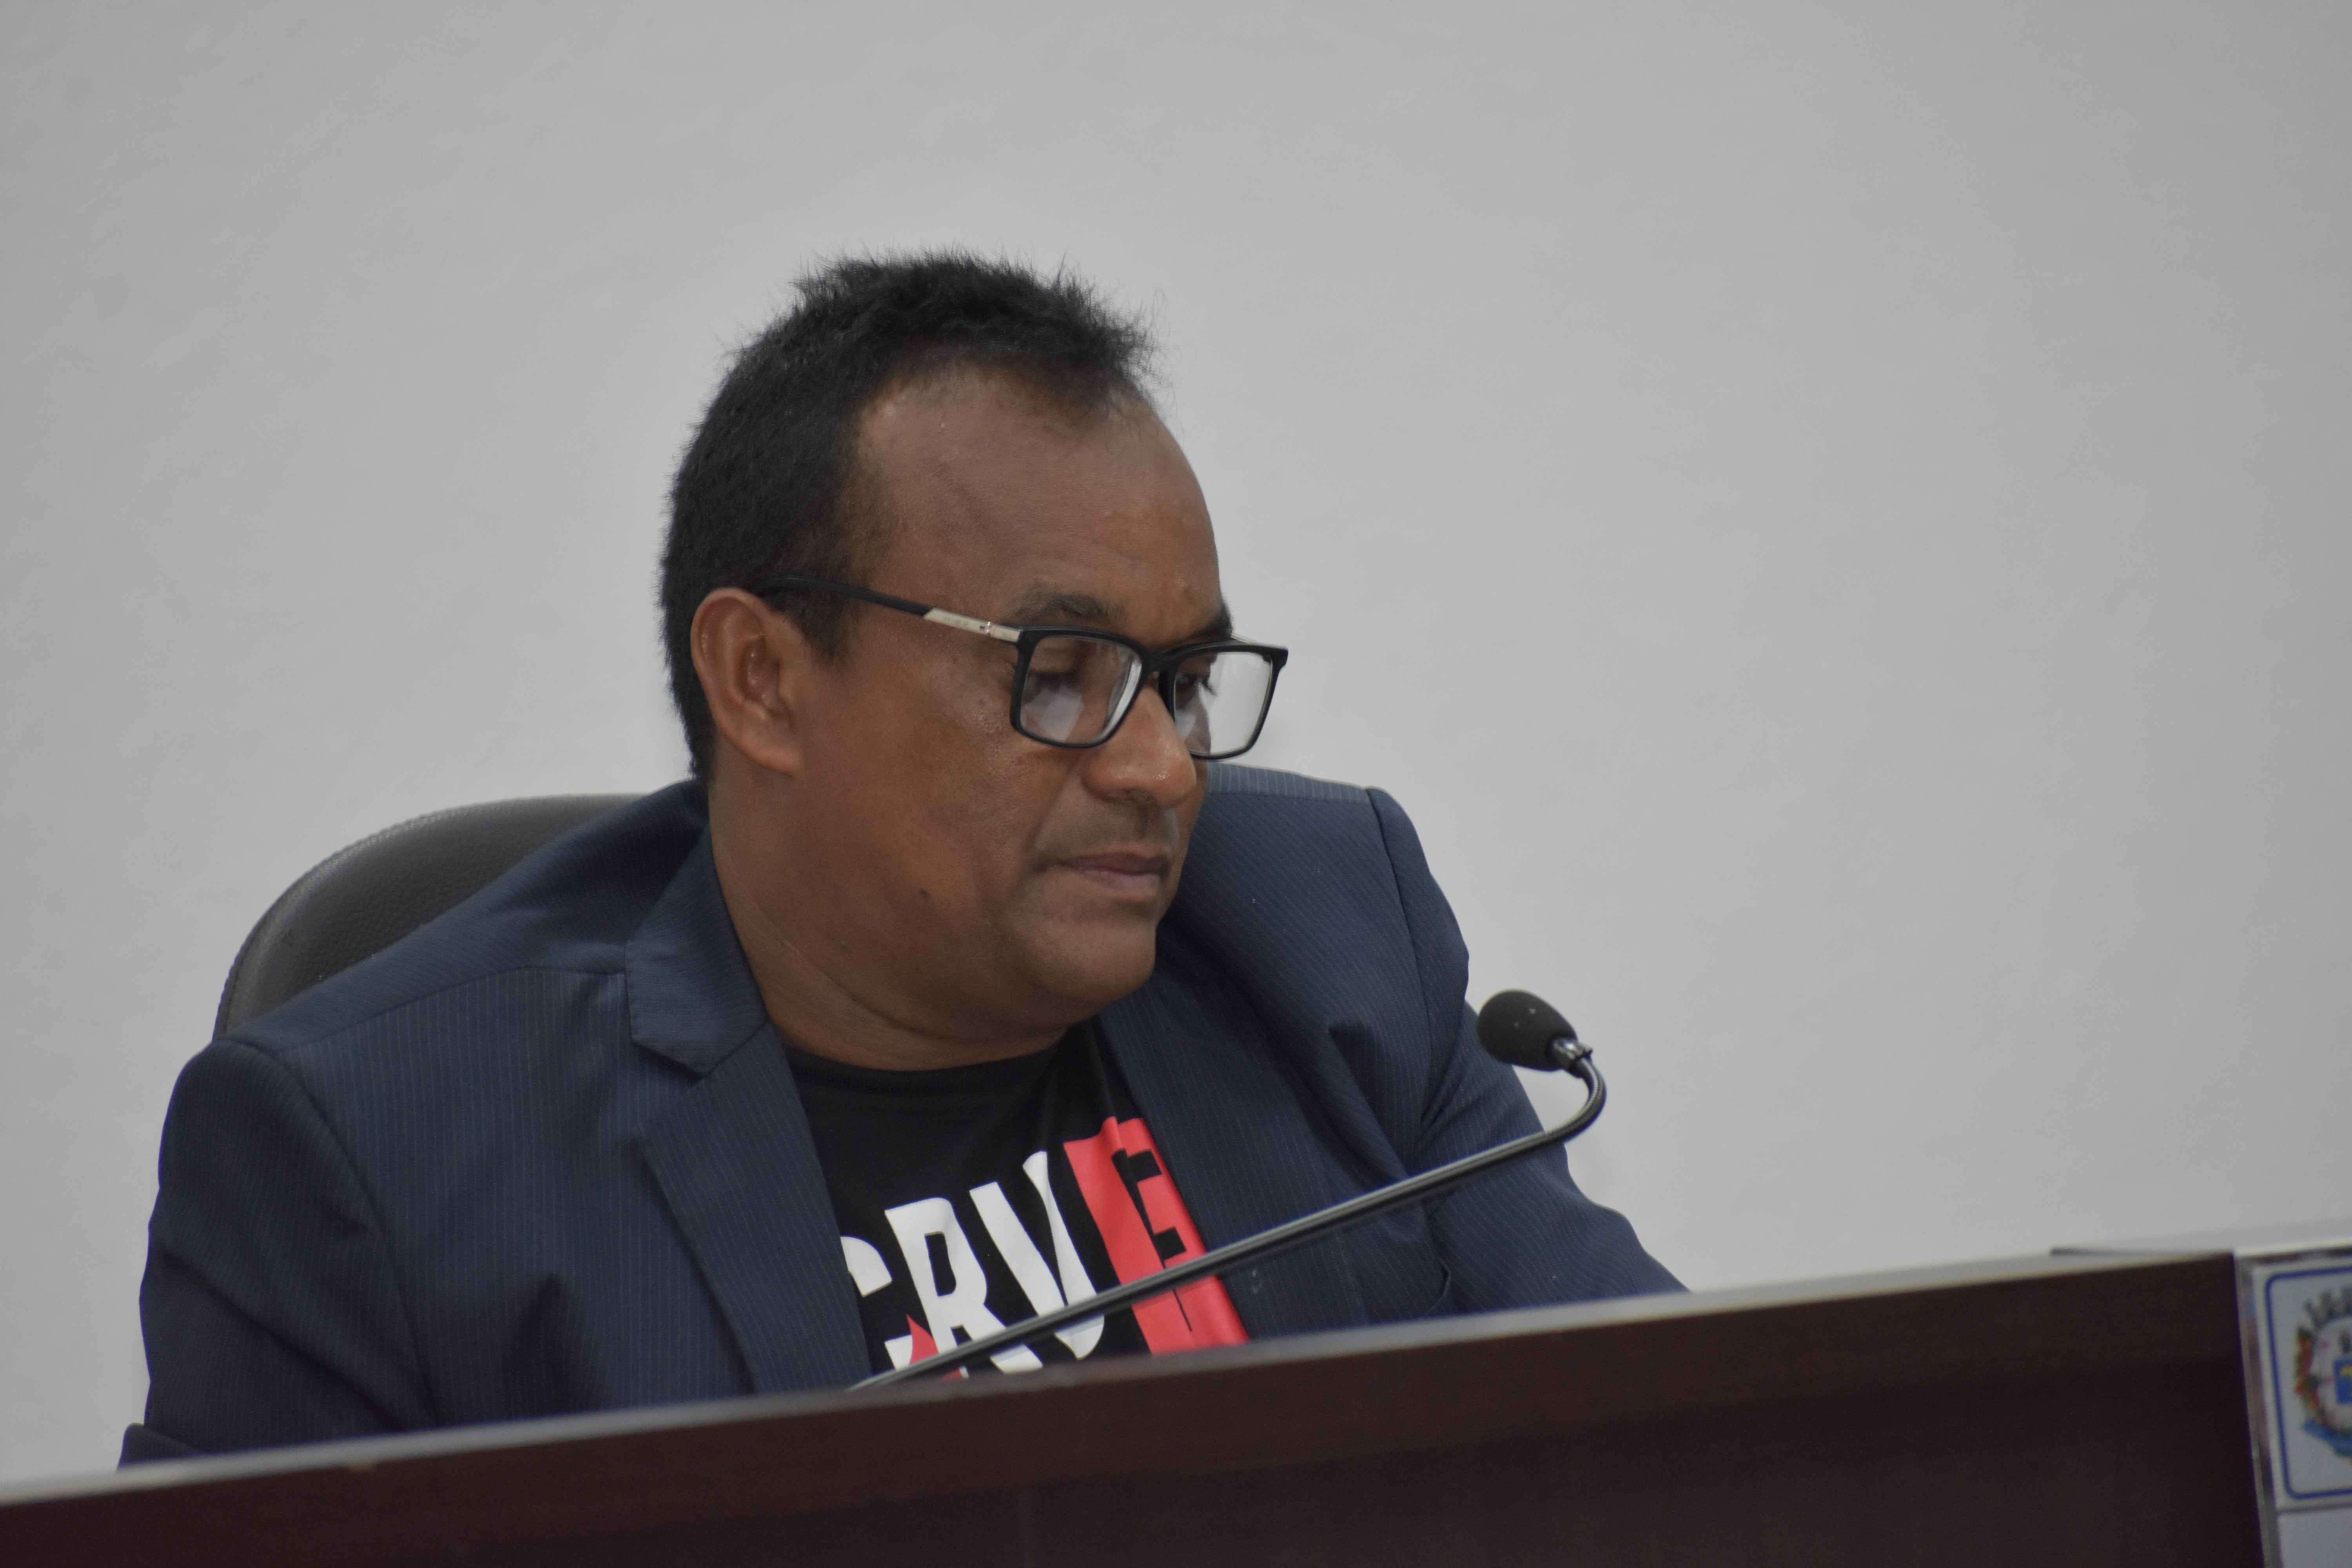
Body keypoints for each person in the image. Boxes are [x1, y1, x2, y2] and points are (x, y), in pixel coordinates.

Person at [125, 254, 1676, 1462]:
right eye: (1059, 674)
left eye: (1184, 680)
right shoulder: (379, 1161)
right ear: (764, 681)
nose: (1157, 767)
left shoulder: (1331, 935)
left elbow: (1662, 1451)